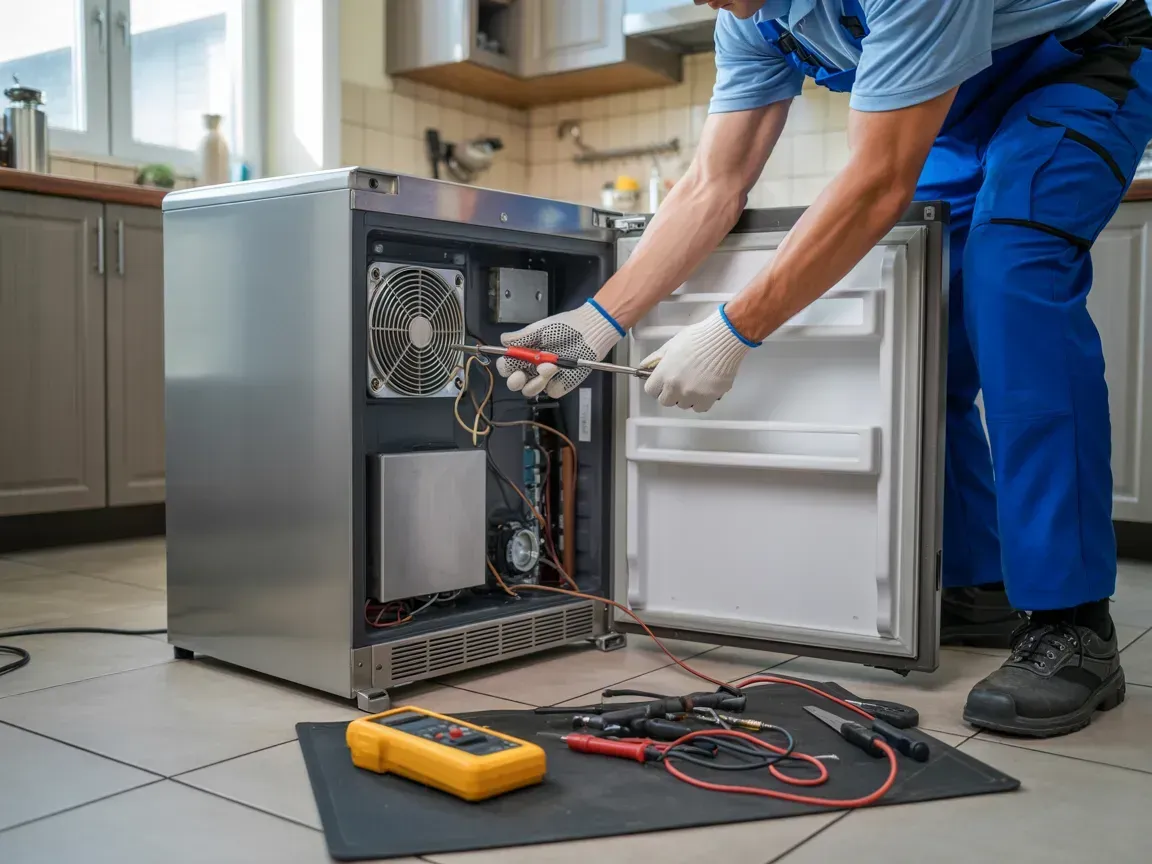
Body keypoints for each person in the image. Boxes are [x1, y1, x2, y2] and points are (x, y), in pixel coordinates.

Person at [496, 0, 1152, 738]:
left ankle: (1074, 626)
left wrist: (732, 331)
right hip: (959, 114)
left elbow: (876, 183)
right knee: (919, 323)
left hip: (1080, 64)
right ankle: (980, 584)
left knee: (1011, 277)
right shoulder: (749, 19)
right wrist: (595, 324)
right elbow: (713, 184)